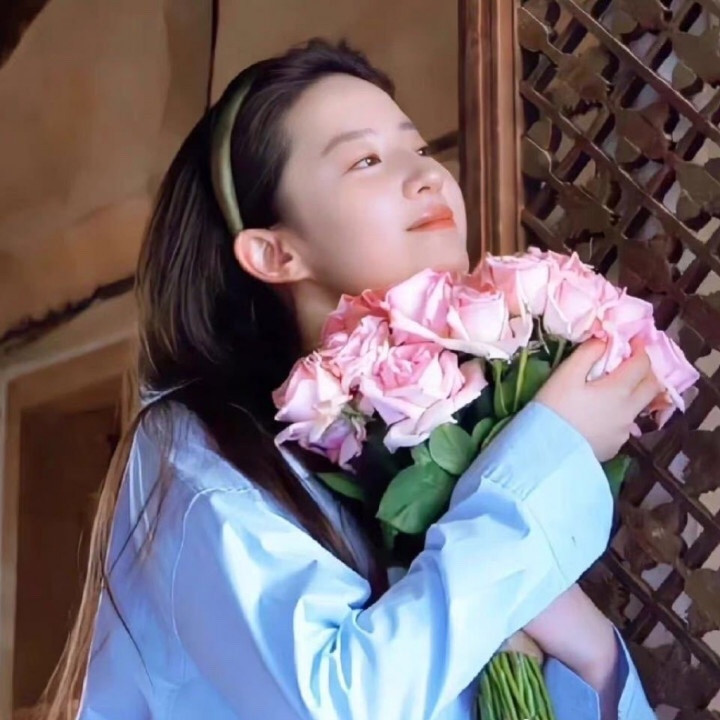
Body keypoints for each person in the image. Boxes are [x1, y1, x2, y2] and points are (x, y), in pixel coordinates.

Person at [44, 38, 661, 720]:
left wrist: (593, 654)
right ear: (274, 252)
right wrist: (549, 452)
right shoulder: (196, 448)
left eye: (419, 147)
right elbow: (340, 704)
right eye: (366, 160)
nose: (427, 176)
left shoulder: (440, 425)